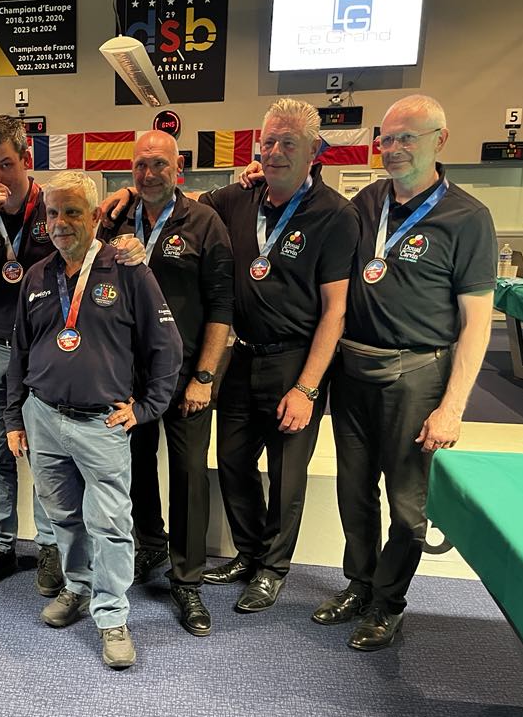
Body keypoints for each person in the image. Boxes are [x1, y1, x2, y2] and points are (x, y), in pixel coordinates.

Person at [102, 98, 359, 612]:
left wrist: (307, 386)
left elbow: (336, 310)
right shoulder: (238, 198)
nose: (276, 152)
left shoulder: (335, 214)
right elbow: (176, 196)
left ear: (314, 149)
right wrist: (130, 190)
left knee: (285, 473)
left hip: (291, 358)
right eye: (269, 142)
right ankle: (244, 553)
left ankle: (271, 568)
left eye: (288, 143)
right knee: (233, 460)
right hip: (236, 356)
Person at [314, 95, 496, 650]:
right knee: (353, 492)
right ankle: (359, 584)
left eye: (406, 138)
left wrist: (452, 406)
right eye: (386, 138)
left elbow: (477, 323)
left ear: (441, 140)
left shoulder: (467, 217)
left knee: (407, 505)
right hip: (353, 371)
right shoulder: (366, 201)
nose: (392, 148)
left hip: (417, 376)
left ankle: (388, 603)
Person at [0, 115, 146, 597]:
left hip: (44, 357)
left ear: (26, 160)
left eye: (6, 165)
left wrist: (129, 231)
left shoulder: (53, 204)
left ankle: (50, 547)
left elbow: (98, 239)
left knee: (44, 457)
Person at [5, 171, 181, 668]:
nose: (60, 223)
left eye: (72, 212)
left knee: (110, 525)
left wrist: (147, 407)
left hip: (101, 423)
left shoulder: (127, 269)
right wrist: (14, 417)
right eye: (53, 213)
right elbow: (19, 353)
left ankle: (112, 615)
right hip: (43, 417)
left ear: (97, 216)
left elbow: (167, 346)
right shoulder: (37, 276)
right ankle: (78, 588)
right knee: (63, 516)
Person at [110, 131, 234, 636]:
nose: (149, 174)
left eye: (159, 164)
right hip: (130, 376)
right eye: (141, 165)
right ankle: (149, 544)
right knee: (136, 466)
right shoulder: (117, 220)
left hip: (186, 378)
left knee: (187, 474)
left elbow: (222, 306)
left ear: (177, 166)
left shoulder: (204, 222)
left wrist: (205, 376)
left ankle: (187, 579)